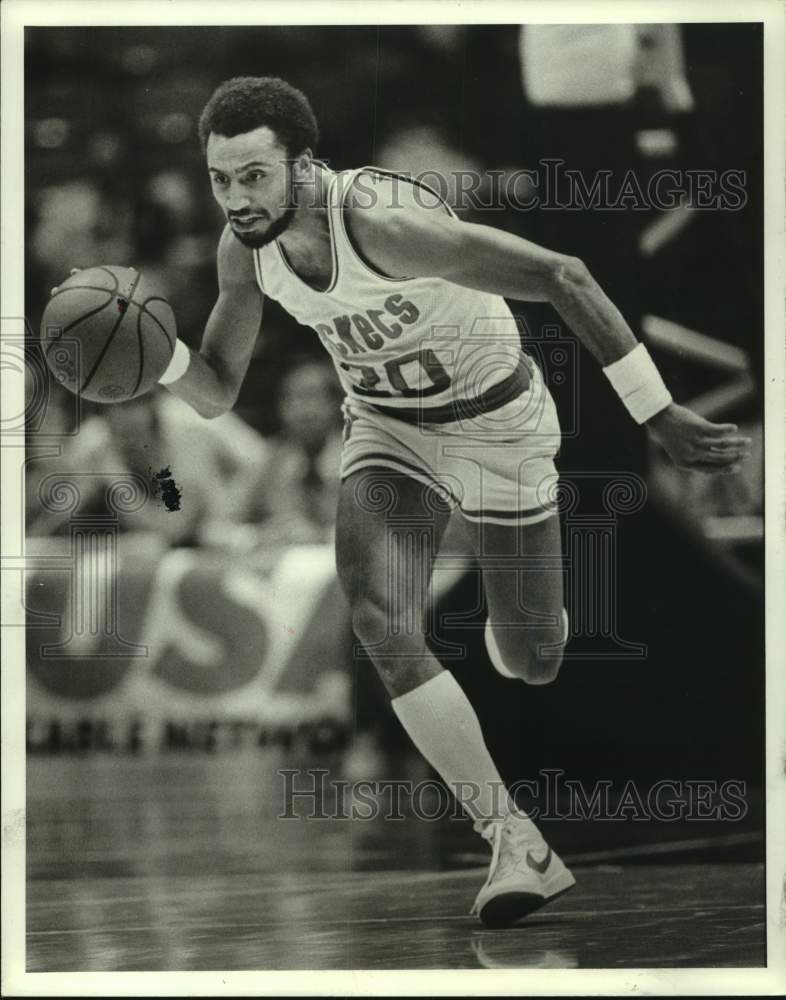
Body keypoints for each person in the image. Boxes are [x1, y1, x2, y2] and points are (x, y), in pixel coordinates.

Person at [54, 76, 750, 928]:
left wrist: (657, 412)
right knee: (381, 617)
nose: (236, 198)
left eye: (254, 176)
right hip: (389, 430)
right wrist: (152, 355)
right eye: (220, 178)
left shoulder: (386, 228)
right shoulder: (246, 253)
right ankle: (512, 837)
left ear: (304, 168)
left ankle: (526, 619)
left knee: (534, 656)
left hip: (500, 420)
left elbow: (564, 274)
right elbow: (216, 391)